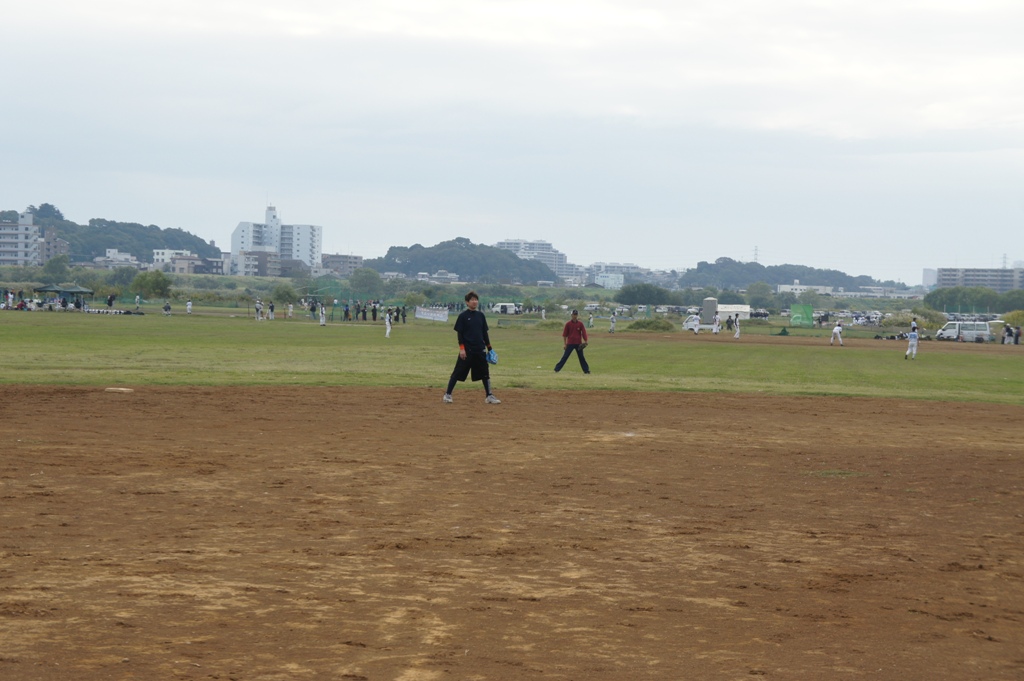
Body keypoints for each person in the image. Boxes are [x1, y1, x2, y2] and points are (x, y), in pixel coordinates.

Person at [443, 291, 500, 404]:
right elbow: (460, 334)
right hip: (467, 350)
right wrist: (462, 349)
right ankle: (447, 394)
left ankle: (489, 395)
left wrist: (490, 349)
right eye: (472, 300)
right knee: (457, 372)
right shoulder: (463, 316)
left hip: (480, 350)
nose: (475, 302)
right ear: (467, 302)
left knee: (485, 373)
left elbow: (485, 334)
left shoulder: (481, 316)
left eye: (476, 300)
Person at [554, 310, 590, 374]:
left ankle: (586, 370)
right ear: (571, 315)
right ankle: (557, 369)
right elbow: (564, 335)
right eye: (573, 315)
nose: (575, 316)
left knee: (581, 357)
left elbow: (584, 332)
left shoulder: (580, 324)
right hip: (570, 343)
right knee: (565, 356)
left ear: (577, 315)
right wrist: (565, 344)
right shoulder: (568, 324)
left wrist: (586, 340)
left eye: (576, 315)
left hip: (578, 343)